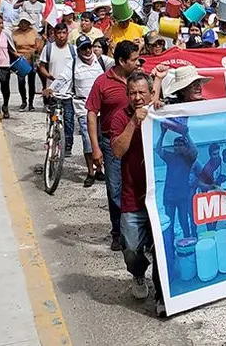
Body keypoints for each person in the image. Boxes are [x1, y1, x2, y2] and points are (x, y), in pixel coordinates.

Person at [108, 71, 166, 317]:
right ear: (127, 95)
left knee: (162, 248)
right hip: (133, 197)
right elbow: (118, 151)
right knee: (131, 247)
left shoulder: (159, 111)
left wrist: (159, 102)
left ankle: (162, 296)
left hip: (159, 196)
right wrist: (133, 123)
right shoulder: (120, 118)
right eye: (133, 93)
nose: (138, 97)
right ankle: (138, 273)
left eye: (142, 92)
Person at [87, 40, 143, 252]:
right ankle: (118, 232)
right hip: (111, 144)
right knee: (115, 189)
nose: (138, 63)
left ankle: (139, 229)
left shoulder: (139, 82)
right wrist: (96, 147)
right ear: (121, 61)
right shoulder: (102, 82)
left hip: (138, 141)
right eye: (134, 60)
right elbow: (91, 114)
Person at [46, 35, 113, 187]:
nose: (88, 50)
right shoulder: (74, 63)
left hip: (102, 107)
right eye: (84, 48)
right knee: (88, 140)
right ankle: (90, 172)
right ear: (78, 50)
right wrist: (51, 88)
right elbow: (63, 78)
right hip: (83, 107)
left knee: (102, 140)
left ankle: (99, 170)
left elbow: (118, 65)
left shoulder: (101, 60)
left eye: (89, 46)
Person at [39, 23, 78, 156]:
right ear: (54, 34)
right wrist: (48, 75)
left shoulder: (73, 50)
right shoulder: (48, 48)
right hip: (53, 92)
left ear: (67, 34)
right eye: (59, 33)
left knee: (69, 120)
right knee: (53, 118)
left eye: (64, 33)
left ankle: (67, 147)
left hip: (68, 93)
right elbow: (42, 66)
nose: (61, 36)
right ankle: (52, 141)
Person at [12, 16, 43, 111]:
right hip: (20, 59)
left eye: (25, 22)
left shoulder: (33, 32)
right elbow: (12, 46)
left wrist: (38, 46)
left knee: (31, 82)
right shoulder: (15, 33)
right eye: (22, 22)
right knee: (21, 81)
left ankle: (31, 103)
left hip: (31, 58)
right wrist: (15, 54)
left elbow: (39, 44)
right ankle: (23, 101)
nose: (23, 24)